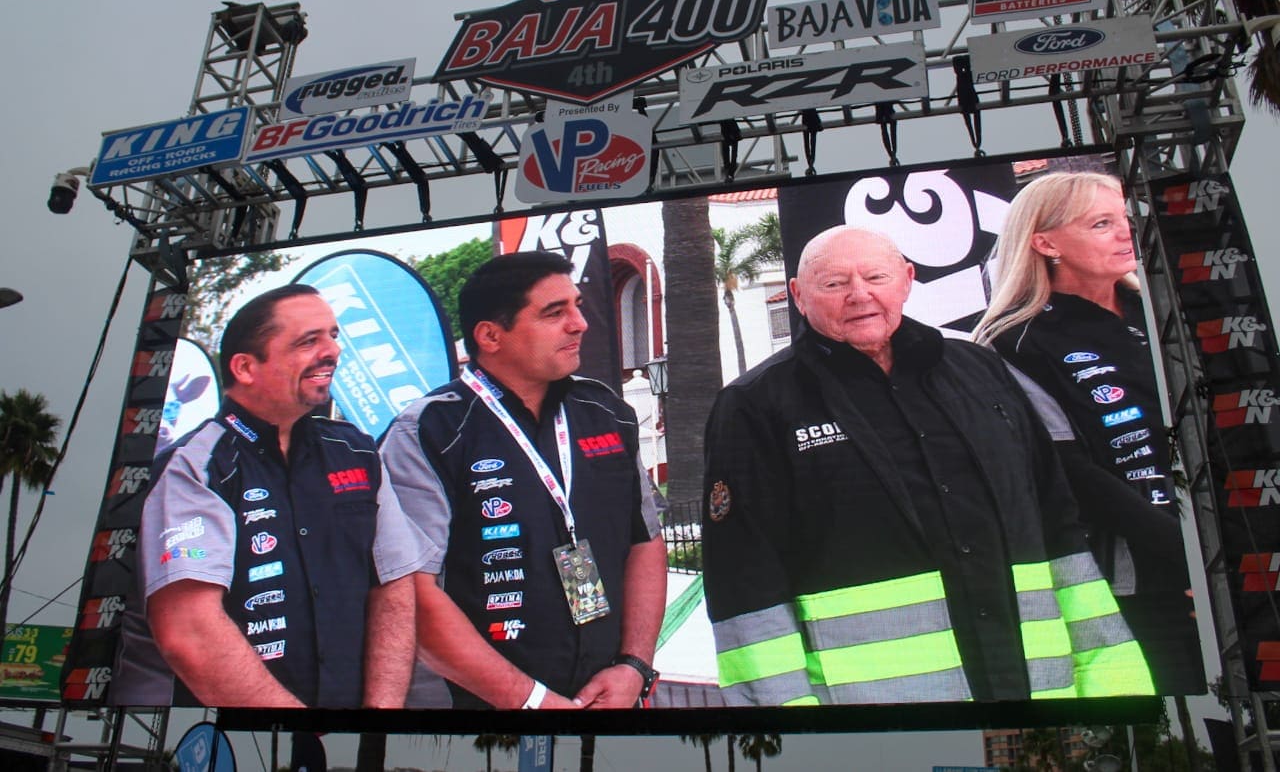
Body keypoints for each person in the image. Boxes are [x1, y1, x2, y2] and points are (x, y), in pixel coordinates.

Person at [701, 226, 1154, 706]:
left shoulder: (982, 372)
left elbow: (1060, 528)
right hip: (881, 726)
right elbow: (744, 581)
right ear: (798, 294)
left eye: (876, 276)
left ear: (907, 279)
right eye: (834, 284)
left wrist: (1114, 687)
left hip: (1042, 703)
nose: (860, 295)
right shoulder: (754, 407)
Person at [112, 284, 427, 707]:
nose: (332, 351)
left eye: (333, 336)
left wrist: (376, 721)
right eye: (308, 341)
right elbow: (190, 633)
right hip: (216, 741)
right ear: (245, 367)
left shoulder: (356, 450)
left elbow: (394, 586)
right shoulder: (195, 465)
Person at [379, 251, 667, 710]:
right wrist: (531, 700)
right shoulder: (429, 431)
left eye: (575, 305)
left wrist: (634, 666)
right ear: (490, 335)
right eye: (555, 313)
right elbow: (411, 591)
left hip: (607, 697)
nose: (580, 323)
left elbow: (645, 540)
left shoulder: (607, 413)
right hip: (478, 717)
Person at [973, 171, 1203, 695]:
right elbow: (1069, 472)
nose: (1125, 233)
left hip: (1239, 549)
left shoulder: (1165, 310)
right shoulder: (1012, 340)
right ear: (1045, 241)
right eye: (1102, 223)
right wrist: (1190, 557)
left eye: (1125, 219)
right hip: (1140, 582)